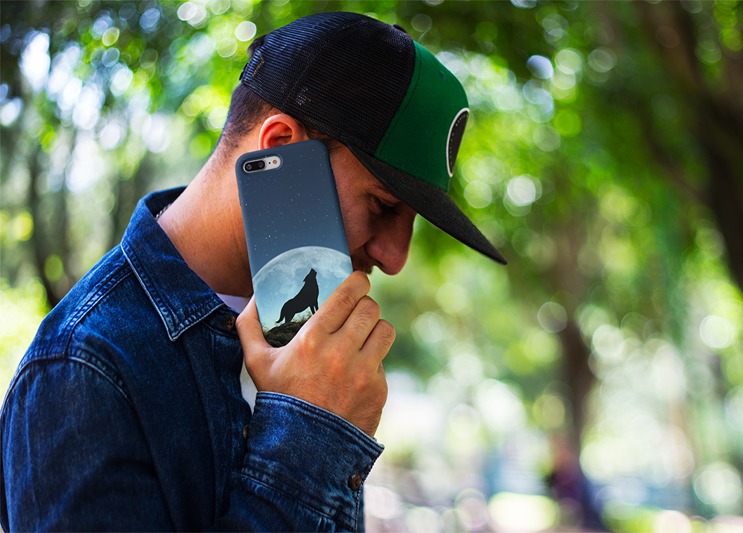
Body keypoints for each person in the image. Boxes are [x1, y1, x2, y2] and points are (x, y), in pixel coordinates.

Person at [0, 11, 506, 531]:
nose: (395, 258)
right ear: (281, 147)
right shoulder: (82, 369)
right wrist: (310, 432)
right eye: (382, 205)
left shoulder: (308, 342)